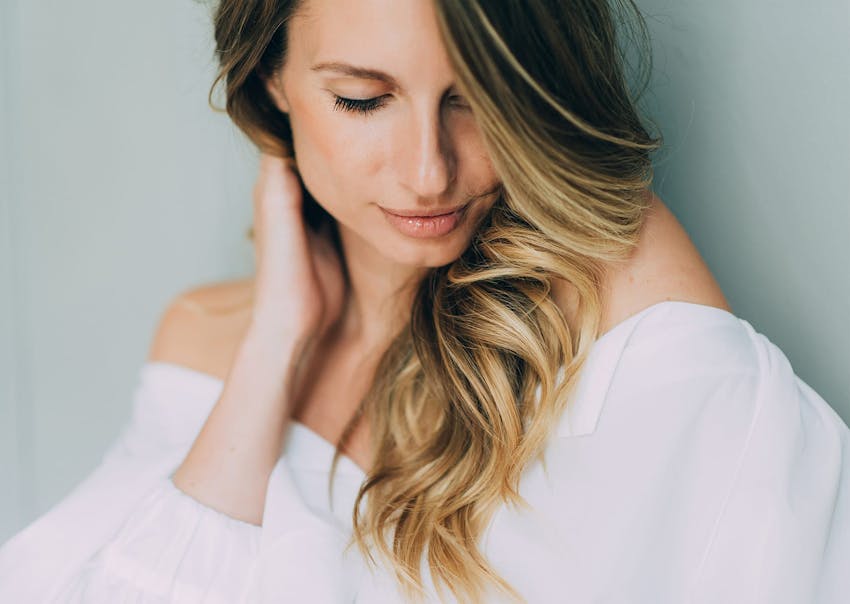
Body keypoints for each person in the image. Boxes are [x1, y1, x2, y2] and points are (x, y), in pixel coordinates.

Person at [1, 0, 848, 602]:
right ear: (269, 83)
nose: (429, 172)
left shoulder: (626, 325)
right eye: (363, 100)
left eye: (477, 100)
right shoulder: (202, 339)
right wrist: (275, 344)